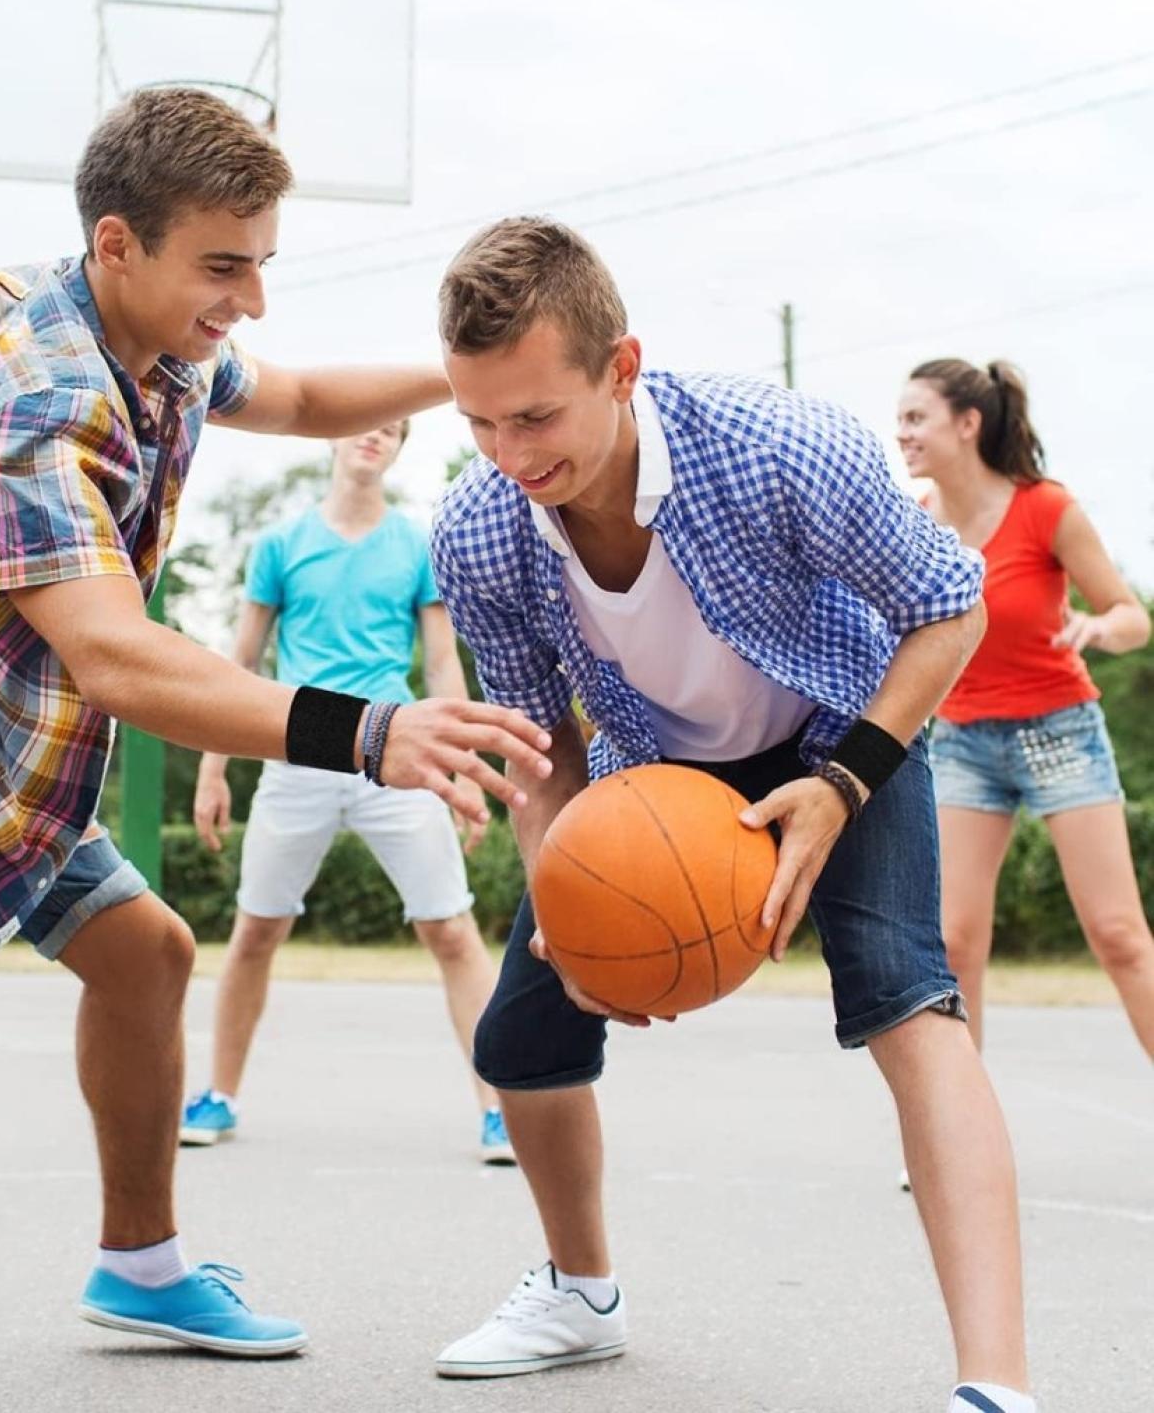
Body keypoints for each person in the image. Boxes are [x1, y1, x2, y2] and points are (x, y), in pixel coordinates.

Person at [0, 89, 552, 1370]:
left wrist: (488, 375)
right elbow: (112, 655)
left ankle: (141, 1265)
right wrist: (368, 730)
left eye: (262, 265)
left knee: (148, 956)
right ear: (118, 243)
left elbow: (305, 395)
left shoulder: (152, 342)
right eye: (224, 268)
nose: (250, 301)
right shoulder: (34, 404)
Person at [425, 217, 1036, 1413]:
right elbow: (539, 740)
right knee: (519, 1040)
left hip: (844, 733)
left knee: (912, 1004)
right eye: (479, 422)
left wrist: (846, 779)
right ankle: (578, 1292)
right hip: (654, 773)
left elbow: (948, 608)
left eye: (535, 417)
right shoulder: (478, 527)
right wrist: (559, 891)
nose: (508, 452)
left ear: (619, 366)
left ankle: (995, 1384)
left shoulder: (775, 446)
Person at [182, 419, 515, 1163]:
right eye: (364, 424)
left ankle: (501, 1108)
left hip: (397, 749)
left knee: (451, 932)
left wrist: (459, 768)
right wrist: (213, 767)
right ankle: (218, 1094)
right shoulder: (279, 546)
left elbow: (440, 667)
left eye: (393, 430)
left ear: (399, 450)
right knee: (256, 933)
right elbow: (237, 666)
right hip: (299, 748)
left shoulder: (417, 546)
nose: (375, 436)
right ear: (334, 438)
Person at [897, 359, 1153, 1057]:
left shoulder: (1046, 508)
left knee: (1119, 935)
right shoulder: (919, 523)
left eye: (917, 417)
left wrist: (1101, 629)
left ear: (968, 423)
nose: (902, 433)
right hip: (961, 742)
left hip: (1059, 732)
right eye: (901, 419)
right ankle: (960, 1145)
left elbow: (1133, 616)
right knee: (952, 940)